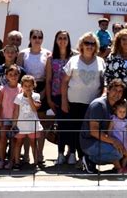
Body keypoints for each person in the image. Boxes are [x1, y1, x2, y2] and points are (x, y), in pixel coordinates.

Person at [61, 32, 106, 168]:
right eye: (87, 43)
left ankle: (86, 158)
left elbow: (104, 83)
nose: (89, 46)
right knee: (75, 129)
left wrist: (102, 98)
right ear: (81, 45)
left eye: (92, 44)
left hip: (92, 104)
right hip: (74, 102)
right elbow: (64, 82)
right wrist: (63, 100)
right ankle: (75, 155)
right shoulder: (73, 60)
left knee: (88, 132)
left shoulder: (101, 61)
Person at [80, 79, 127, 173]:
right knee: (118, 153)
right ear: (108, 90)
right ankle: (89, 159)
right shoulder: (99, 105)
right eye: (115, 90)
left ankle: (120, 164)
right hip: (90, 141)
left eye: (120, 91)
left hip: (107, 139)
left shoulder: (120, 106)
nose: (117, 93)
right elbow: (94, 131)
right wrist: (114, 141)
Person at [16, 29, 51, 164]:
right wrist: (25, 93)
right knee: (25, 123)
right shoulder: (23, 53)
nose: (37, 39)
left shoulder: (47, 54)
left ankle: (40, 155)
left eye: (40, 37)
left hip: (41, 89)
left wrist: (42, 93)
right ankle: (26, 155)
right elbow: (19, 74)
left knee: (39, 125)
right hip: (26, 88)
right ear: (30, 38)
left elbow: (48, 76)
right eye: (34, 37)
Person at [45, 30, 74, 165]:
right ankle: (61, 154)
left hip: (72, 96)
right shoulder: (51, 59)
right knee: (61, 126)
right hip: (57, 96)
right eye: (60, 38)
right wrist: (50, 99)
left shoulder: (74, 56)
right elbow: (49, 79)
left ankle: (72, 153)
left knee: (72, 125)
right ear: (56, 40)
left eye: (65, 38)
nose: (62, 41)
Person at [12, 75, 43, 168]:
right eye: (25, 85)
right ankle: (17, 162)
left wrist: (30, 97)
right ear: (22, 86)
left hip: (32, 125)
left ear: (33, 86)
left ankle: (36, 162)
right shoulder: (18, 97)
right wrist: (14, 124)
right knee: (18, 143)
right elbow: (16, 112)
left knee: (33, 143)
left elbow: (35, 109)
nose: (27, 88)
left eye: (30, 85)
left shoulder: (36, 96)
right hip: (21, 125)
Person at [0, 65, 22, 169]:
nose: (13, 76)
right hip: (5, 117)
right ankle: (1, 160)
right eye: (10, 75)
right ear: (6, 76)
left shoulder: (21, 88)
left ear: (19, 75)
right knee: (3, 139)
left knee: (14, 140)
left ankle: (11, 161)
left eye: (15, 74)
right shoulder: (3, 89)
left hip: (16, 118)